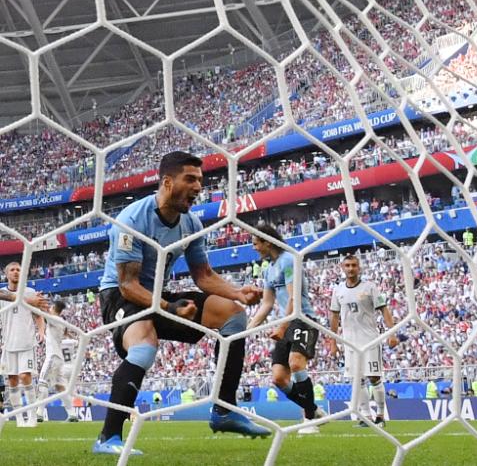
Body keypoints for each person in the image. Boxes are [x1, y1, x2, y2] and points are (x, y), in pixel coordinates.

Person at [93, 152, 270, 456]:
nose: (198, 186)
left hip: (158, 296)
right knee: (145, 344)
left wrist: (237, 293)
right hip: (120, 297)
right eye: (190, 179)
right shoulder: (132, 220)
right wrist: (169, 308)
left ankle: (224, 410)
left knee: (233, 316)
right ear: (167, 182)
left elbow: (203, 275)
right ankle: (108, 438)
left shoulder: (191, 222)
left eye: (200, 180)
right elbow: (128, 285)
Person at [248, 223, 326, 435]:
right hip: (286, 321)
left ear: (267, 241)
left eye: (255, 243)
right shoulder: (269, 269)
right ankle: (313, 409)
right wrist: (248, 328)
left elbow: (294, 297)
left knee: (296, 364)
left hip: (303, 318)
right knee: (279, 378)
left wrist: (282, 327)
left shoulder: (289, 260)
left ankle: (309, 420)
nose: (253, 248)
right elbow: (266, 304)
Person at [329, 253, 398, 427]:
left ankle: (381, 415)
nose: (351, 268)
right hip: (350, 342)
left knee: (374, 377)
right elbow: (334, 317)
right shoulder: (338, 291)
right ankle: (366, 417)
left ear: (359, 268)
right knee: (357, 379)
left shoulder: (369, 287)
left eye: (354, 265)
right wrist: (333, 341)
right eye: (347, 265)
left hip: (369, 340)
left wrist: (392, 333)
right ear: (342, 268)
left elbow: (384, 310)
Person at [2, 261, 44, 427]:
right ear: (7, 274)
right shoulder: (2, 293)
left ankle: (32, 415)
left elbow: (38, 315)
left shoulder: (30, 293)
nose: (15, 272)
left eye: (18, 269)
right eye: (12, 270)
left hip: (26, 342)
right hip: (8, 344)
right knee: (12, 380)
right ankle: (19, 417)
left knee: (25, 377)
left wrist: (41, 331)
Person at [37, 300, 79, 422]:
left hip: (53, 356)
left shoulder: (54, 319)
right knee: (60, 387)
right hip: (59, 358)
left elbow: (43, 314)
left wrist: (40, 304)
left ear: (54, 307)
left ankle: (39, 413)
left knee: (42, 382)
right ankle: (72, 414)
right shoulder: (62, 322)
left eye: (51, 306)